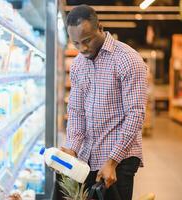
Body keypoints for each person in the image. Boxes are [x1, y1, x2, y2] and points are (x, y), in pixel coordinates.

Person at [61, 4, 148, 200]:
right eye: (76, 43)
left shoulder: (128, 59)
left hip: (120, 158)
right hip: (87, 158)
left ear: (100, 27)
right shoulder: (78, 65)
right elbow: (76, 111)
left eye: (87, 40)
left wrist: (113, 160)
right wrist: (72, 147)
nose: (82, 48)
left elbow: (136, 114)